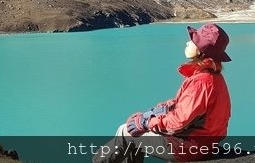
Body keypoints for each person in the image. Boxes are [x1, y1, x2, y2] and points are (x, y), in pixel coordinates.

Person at [93, 23, 232, 162]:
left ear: (202, 49)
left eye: (193, 40)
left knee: (126, 132)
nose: (187, 42)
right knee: (134, 131)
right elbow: (185, 107)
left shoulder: (201, 82)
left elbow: (179, 121)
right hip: (203, 144)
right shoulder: (213, 78)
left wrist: (146, 123)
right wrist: (152, 113)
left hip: (187, 147)